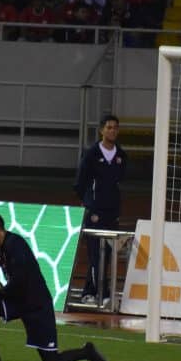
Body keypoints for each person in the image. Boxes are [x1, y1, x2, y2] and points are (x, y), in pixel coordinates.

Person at [0, 212, 108, 361]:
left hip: (36, 305)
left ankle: (87, 351)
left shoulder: (16, 245)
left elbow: (20, 280)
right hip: (16, 299)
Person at [73, 114, 127, 307]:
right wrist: (88, 203)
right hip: (95, 210)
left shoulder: (121, 155)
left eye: (115, 128)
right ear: (101, 130)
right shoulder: (92, 154)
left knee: (108, 254)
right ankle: (102, 294)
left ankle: (89, 291)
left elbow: (119, 180)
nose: (112, 131)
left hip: (112, 211)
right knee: (95, 253)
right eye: (109, 127)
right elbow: (80, 181)